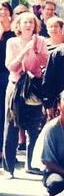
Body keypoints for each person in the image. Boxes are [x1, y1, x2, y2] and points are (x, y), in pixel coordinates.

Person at [3, 11, 49, 176]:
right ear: (19, 25)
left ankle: (32, 164)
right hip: (16, 87)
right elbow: (11, 66)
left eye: (31, 22)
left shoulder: (41, 41)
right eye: (25, 22)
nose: (29, 25)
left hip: (34, 88)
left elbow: (46, 62)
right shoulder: (12, 42)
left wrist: (36, 50)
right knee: (12, 127)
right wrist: (24, 51)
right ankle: (8, 168)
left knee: (33, 128)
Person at [0, 1, 15, 167]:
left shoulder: (13, 33)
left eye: (5, 9)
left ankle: (4, 151)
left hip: (8, 76)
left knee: (5, 114)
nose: (2, 12)